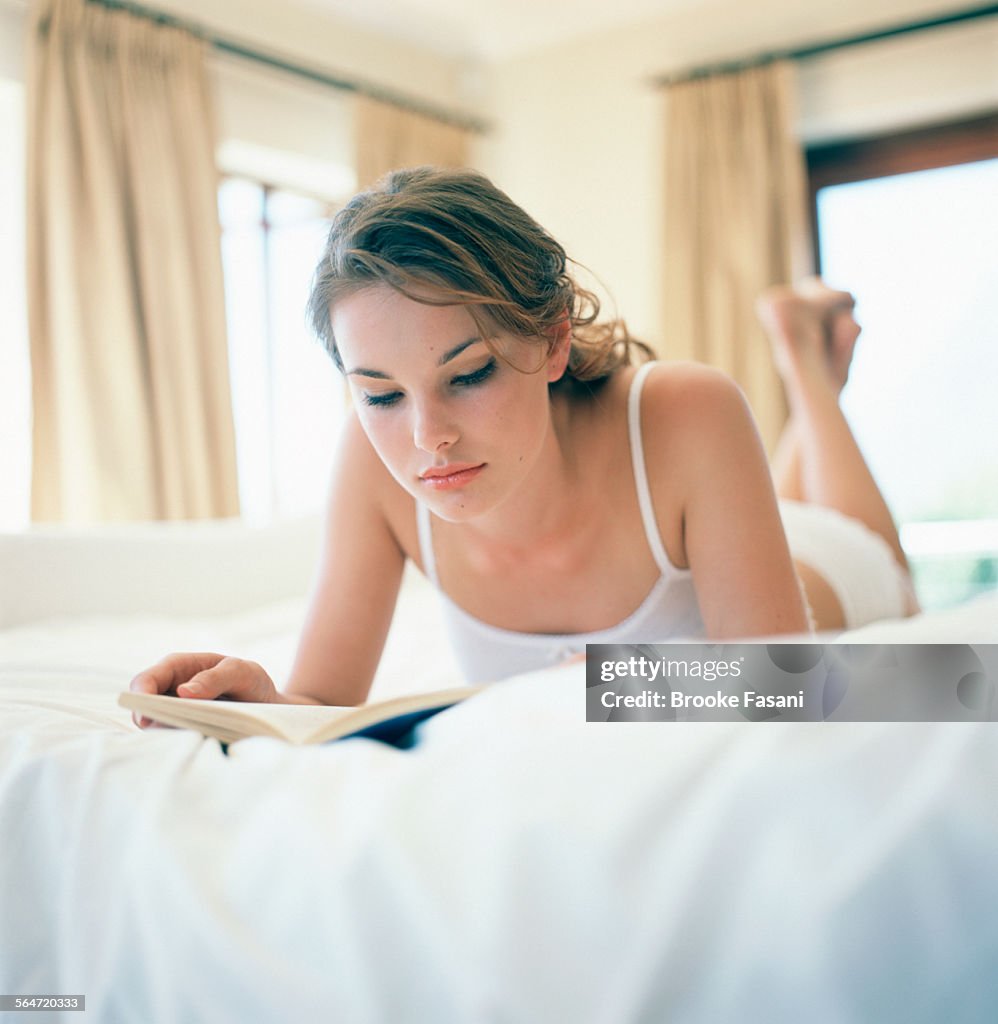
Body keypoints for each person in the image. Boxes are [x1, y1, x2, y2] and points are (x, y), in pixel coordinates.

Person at [130, 166, 916, 717]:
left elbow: (793, 693)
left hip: (828, 570)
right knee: (771, 499)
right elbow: (321, 706)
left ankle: (807, 372)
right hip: (725, 519)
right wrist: (256, 702)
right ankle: (810, 379)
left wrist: (612, 691)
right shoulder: (370, 463)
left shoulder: (687, 408)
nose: (427, 437)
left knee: (879, 554)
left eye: (467, 375)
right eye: (379, 393)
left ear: (550, 339)